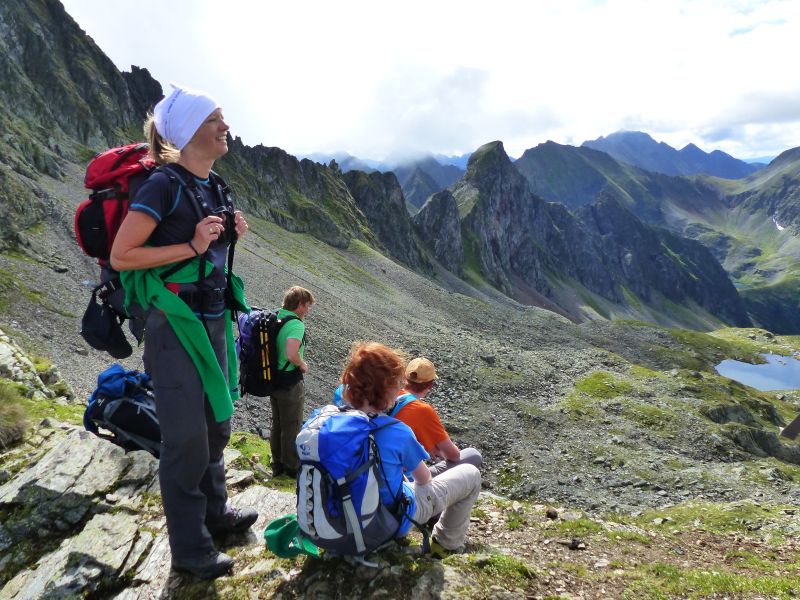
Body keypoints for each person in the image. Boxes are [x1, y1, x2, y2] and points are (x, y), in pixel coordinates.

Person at [110, 83, 256, 580]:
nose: (225, 126)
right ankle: (190, 550)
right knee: (186, 436)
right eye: (215, 118)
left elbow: (209, 251)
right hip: (173, 325)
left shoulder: (212, 184)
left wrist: (225, 235)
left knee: (217, 420)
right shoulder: (162, 185)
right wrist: (193, 246)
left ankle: (217, 514)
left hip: (211, 316)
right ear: (190, 131)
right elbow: (122, 255)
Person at [341, 342, 481, 556]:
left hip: (343, 515)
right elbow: (426, 477)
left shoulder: (332, 421)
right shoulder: (400, 429)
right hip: (387, 518)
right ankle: (443, 545)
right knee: (471, 466)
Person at [390, 357, 482, 477]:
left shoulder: (389, 395)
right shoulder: (422, 410)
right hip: (402, 482)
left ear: (405, 378)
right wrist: (437, 449)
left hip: (377, 473)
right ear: (430, 386)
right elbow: (453, 455)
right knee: (473, 455)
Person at [267, 286, 314, 478]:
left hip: (273, 378)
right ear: (300, 305)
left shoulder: (277, 315)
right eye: (308, 305)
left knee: (277, 423)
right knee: (292, 425)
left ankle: (276, 462)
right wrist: (302, 364)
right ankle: (292, 467)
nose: (308, 310)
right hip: (289, 381)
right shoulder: (296, 324)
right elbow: (291, 353)